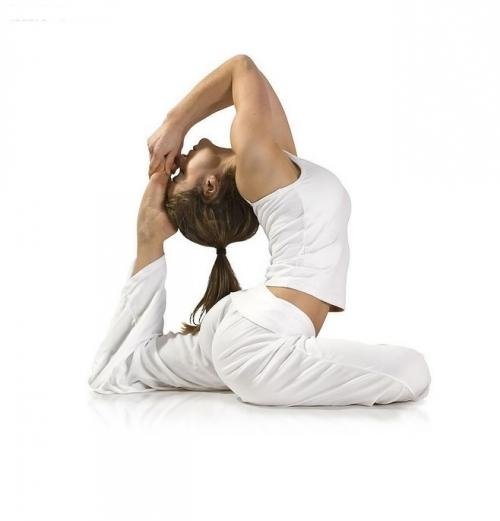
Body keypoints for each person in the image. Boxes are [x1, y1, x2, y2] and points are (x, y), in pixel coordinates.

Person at [87, 54, 431, 406]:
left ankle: (149, 239)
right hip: (258, 339)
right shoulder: (257, 162)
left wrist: (175, 124)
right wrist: (175, 123)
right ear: (210, 185)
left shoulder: (274, 162)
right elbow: (242, 68)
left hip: (249, 329)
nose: (180, 160)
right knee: (411, 371)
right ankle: (149, 239)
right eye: (181, 175)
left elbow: (250, 77)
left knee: (129, 365)